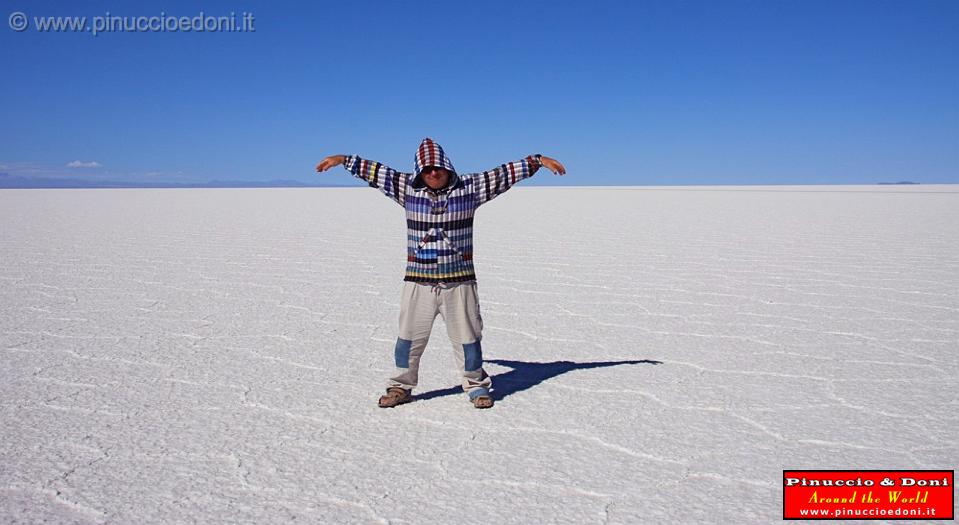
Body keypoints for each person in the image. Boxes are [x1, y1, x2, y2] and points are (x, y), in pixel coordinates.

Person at [316, 138, 566, 409]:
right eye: (426, 169)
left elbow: (503, 174)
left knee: (468, 339)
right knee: (408, 340)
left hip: (459, 283)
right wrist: (343, 159)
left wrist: (537, 161)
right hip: (418, 283)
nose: (433, 173)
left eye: (437, 167)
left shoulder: (470, 189)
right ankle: (400, 386)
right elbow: (377, 172)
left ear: (447, 167)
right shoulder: (406, 189)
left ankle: (476, 386)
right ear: (419, 172)